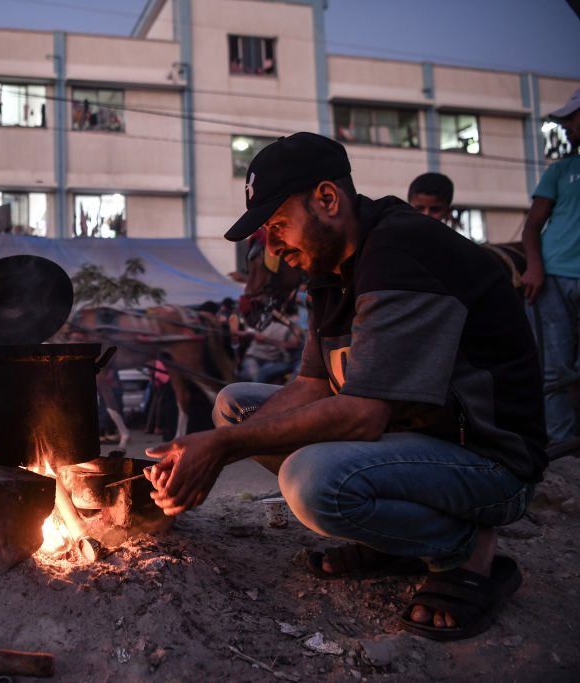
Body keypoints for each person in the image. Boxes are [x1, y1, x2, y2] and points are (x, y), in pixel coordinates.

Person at [144, 132, 546, 642]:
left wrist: (221, 448)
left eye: (278, 224)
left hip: (489, 462)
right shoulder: (330, 270)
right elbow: (313, 385)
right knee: (235, 407)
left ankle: (464, 549)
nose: (272, 244)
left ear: (327, 199)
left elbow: (362, 415)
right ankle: (396, 541)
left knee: (313, 482)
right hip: (414, 445)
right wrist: (215, 445)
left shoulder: (401, 251)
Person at [521, 87, 580, 449]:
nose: (567, 128)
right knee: (554, 369)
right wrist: (534, 267)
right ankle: (559, 444)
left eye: (571, 119)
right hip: (555, 277)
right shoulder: (561, 171)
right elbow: (532, 226)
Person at [237, 301, 303, 384]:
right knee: (251, 373)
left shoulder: (291, 326)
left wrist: (266, 340)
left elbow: (293, 344)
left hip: (271, 360)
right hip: (253, 356)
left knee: (259, 375)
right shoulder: (263, 321)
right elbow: (249, 332)